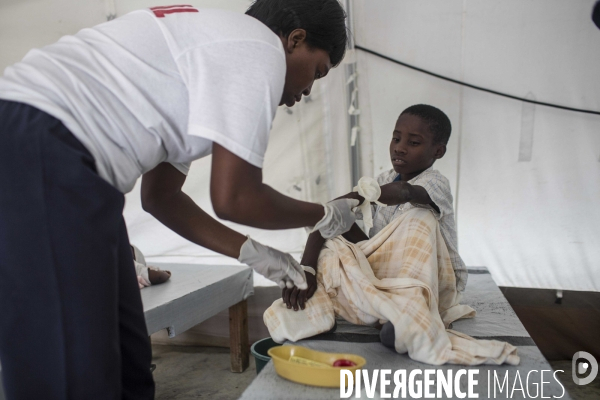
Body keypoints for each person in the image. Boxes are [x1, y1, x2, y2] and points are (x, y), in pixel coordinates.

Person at [0, 1, 358, 399]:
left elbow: (160, 197)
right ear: (295, 39)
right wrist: (325, 214)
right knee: (71, 370)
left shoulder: (211, 56)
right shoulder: (259, 49)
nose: (307, 91)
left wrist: (253, 253)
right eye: (317, 72)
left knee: (127, 360)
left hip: (60, 161)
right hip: (41, 148)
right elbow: (236, 198)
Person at [281, 104, 468, 320]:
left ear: (438, 151)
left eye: (413, 142)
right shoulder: (384, 180)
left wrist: (362, 196)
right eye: (396, 139)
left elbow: (404, 192)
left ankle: (409, 311)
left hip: (435, 282)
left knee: (419, 217)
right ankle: (379, 306)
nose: (400, 148)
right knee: (334, 231)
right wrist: (307, 267)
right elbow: (329, 213)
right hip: (389, 275)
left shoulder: (435, 183)